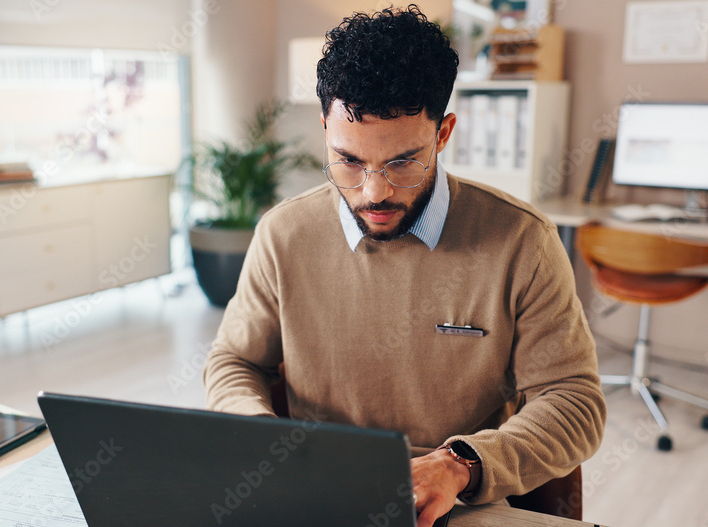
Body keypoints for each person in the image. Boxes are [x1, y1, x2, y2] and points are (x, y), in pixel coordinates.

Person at [203, 5, 605, 525]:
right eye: (348, 160)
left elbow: (573, 401)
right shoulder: (282, 235)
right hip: (315, 493)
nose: (374, 192)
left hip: (457, 501)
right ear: (324, 127)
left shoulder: (523, 242)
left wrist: (460, 464)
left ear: (443, 135)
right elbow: (234, 362)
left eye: (401, 162)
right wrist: (255, 431)